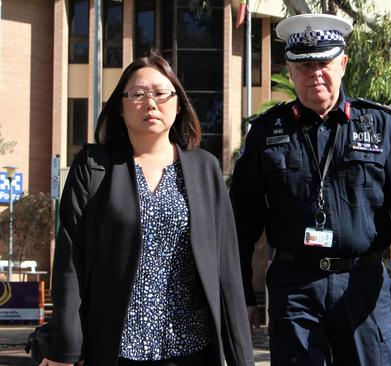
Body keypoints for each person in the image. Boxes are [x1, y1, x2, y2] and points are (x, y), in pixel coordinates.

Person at [229, 14, 391, 365]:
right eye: (303, 65)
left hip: (363, 282)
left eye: (323, 62)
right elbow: (240, 221)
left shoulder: (379, 125)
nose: (314, 74)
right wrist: (242, 295)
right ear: (290, 71)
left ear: (342, 63)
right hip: (295, 286)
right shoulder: (266, 132)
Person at [41, 52, 254, 366]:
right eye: (137, 94)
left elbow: (226, 270)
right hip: (115, 349)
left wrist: (241, 356)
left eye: (160, 93)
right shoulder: (94, 167)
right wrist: (65, 348)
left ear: (178, 103)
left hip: (192, 350)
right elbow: (70, 260)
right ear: (121, 106)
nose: (150, 103)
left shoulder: (205, 169)